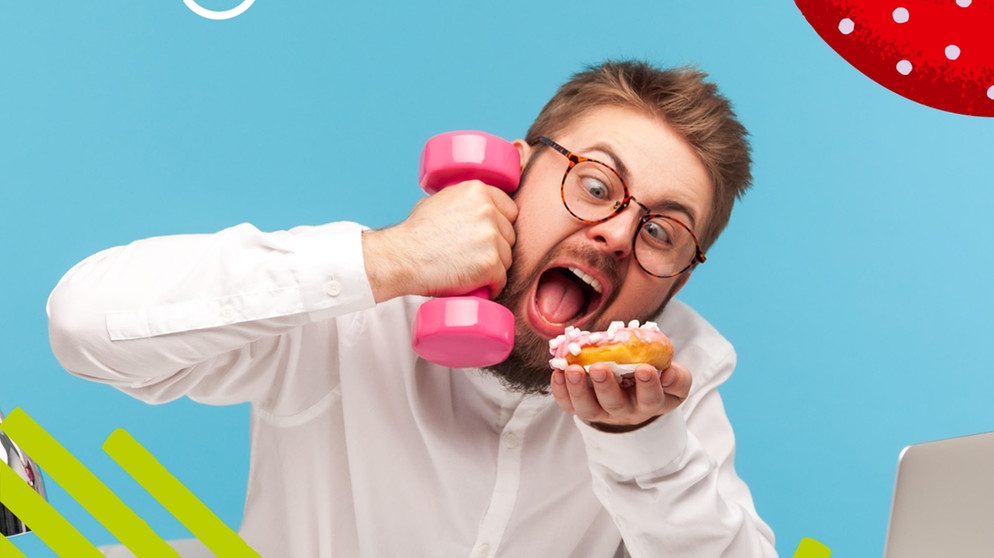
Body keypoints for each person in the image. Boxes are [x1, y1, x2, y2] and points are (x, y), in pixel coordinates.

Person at [47, 60, 778, 557]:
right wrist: (383, 260)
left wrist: (643, 443)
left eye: (660, 232)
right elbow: (85, 323)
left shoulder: (674, 381)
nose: (617, 234)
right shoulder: (355, 307)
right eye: (593, 185)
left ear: (674, 285)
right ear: (510, 170)